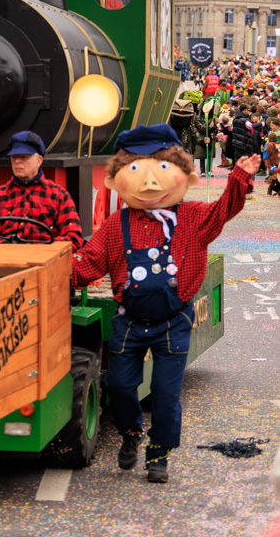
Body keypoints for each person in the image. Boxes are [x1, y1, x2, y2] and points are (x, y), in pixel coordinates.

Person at [70, 123, 258, 484]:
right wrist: (51, 266)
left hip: (173, 321)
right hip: (129, 321)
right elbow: (87, 263)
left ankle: (159, 454)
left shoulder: (193, 218)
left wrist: (238, 179)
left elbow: (224, 210)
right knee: (121, 388)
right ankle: (131, 433)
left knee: (166, 395)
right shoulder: (115, 225)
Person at [0, 131, 83, 248]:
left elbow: (74, 237)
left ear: (39, 160)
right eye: (14, 157)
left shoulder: (59, 195)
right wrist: (6, 248)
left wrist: (42, 249)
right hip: (6, 259)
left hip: (46, 260)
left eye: (23, 157)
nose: (17, 161)